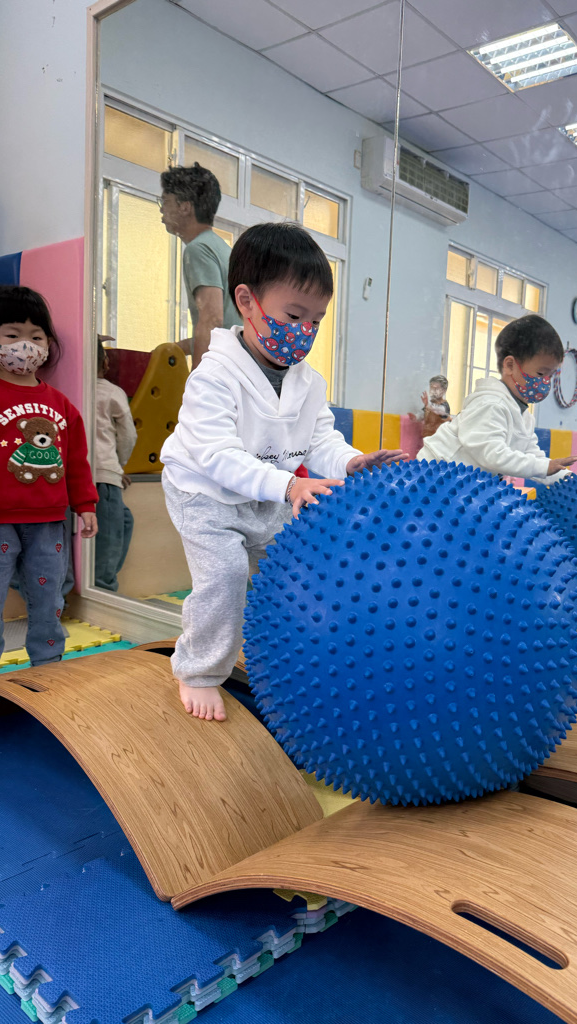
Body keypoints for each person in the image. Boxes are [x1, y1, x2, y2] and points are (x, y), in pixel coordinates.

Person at [161, 222, 405, 723]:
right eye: (294, 316)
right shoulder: (214, 374)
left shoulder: (308, 382)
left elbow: (320, 440)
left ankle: (293, 663)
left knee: (304, 568)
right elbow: (216, 454)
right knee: (226, 575)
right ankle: (198, 671)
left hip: (269, 492)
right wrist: (289, 484)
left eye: (316, 320)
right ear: (246, 302)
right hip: (204, 492)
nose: (305, 331)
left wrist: (351, 461)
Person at [0, 286, 98, 666]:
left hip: (49, 521)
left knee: (49, 598)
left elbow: (76, 461)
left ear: (48, 344)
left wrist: (86, 505)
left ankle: (49, 666)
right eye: (12, 335)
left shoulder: (61, 405)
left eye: (36, 337)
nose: (25, 346)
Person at [417, 314, 577, 483]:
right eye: (541, 373)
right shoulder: (491, 404)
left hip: (461, 481)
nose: (545, 382)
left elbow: (532, 457)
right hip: (435, 474)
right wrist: (544, 467)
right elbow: (492, 454)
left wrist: (566, 477)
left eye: (550, 375)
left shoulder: (524, 417)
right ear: (510, 365)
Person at [159, 163, 240, 369]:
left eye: (165, 201)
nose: (161, 209)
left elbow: (212, 319)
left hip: (225, 369)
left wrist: (198, 377)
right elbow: (225, 329)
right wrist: (177, 348)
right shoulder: (220, 247)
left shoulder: (198, 249)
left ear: (184, 207)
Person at [94, 336, 137, 591]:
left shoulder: (70, 390)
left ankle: (101, 581)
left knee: (124, 519)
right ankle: (103, 586)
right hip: (103, 474)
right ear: (106, 363)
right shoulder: (112, 392)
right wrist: (118, 465)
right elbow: (128, 435)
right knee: (109, 537)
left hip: (84, 472)